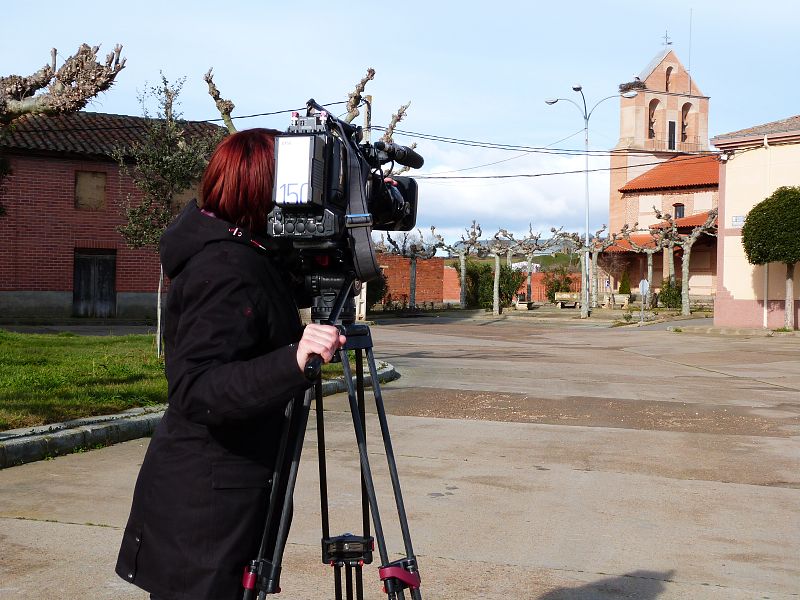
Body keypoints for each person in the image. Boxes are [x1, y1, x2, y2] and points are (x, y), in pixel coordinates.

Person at [116, 128, 345, 600]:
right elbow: (196, 387)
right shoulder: (222, 268)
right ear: (262, 191)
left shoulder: (245, 257)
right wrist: (292, 359)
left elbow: (267, 300)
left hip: (219, 498)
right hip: (203, 511)